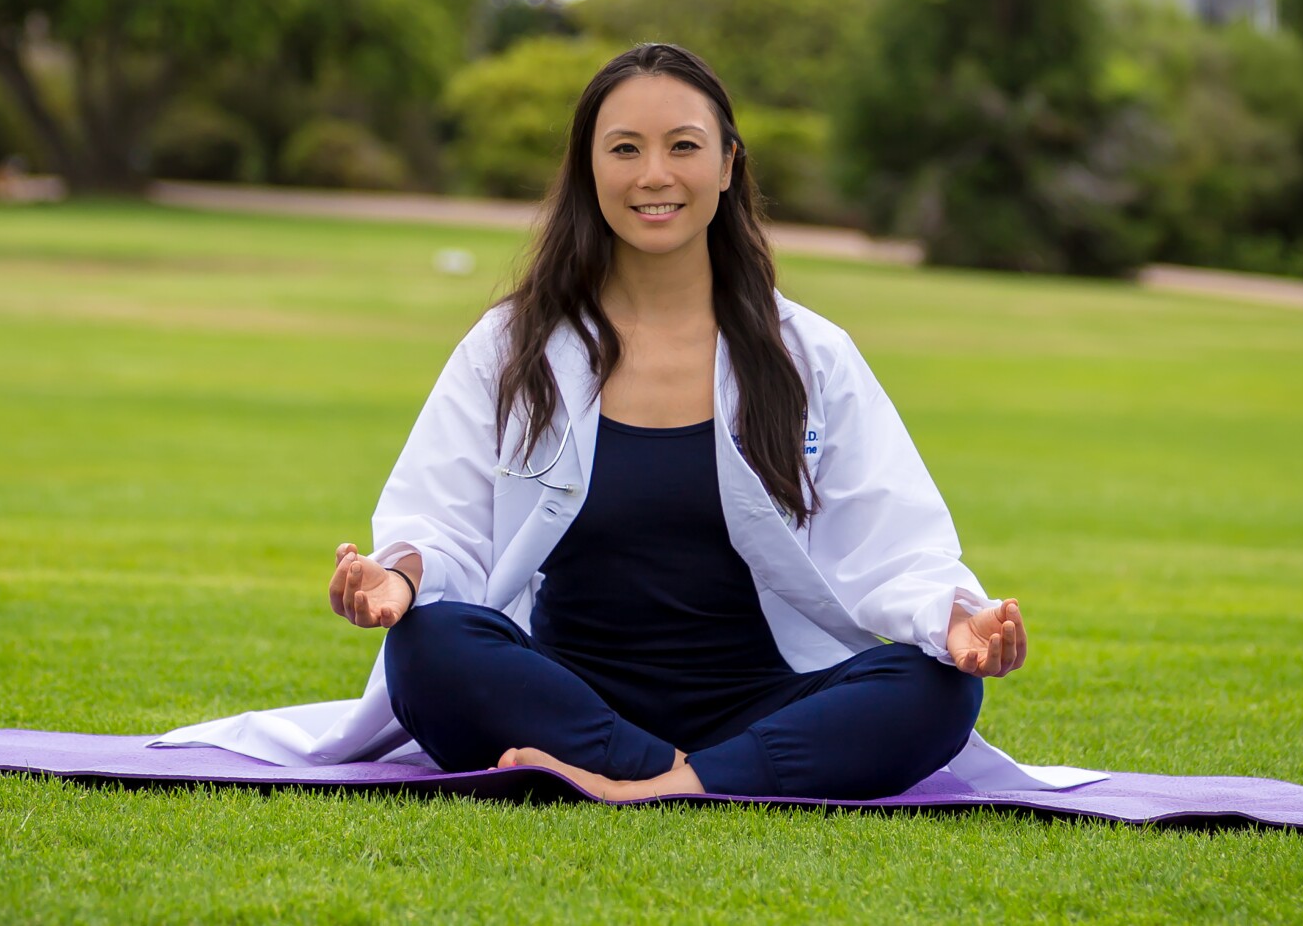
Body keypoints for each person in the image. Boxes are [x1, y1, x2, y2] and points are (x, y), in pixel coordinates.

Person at [323, 43, 1028, 804]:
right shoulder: (512, 344)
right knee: (428, 645)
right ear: (588, 170)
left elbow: (892, 540)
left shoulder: (809, 354)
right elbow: (442, 517)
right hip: (568, 696)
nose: (653, 175)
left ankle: (648, 783)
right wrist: (397, 576)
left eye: (683, 147)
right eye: (624, 149)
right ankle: (703, 775)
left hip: (761, 700)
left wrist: (956, 622)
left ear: (727, 165)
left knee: (939, 687)